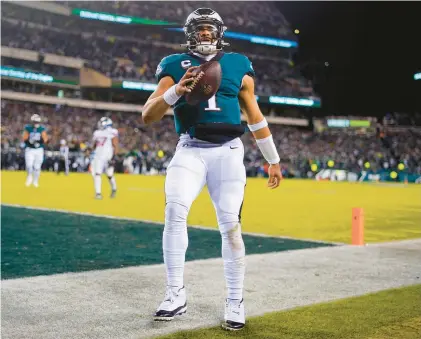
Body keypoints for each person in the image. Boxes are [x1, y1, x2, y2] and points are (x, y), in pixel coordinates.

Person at [142, 8, 282, 330]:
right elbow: (148, 115)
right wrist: (176, 90)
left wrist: (272, 159)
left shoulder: (237, 64)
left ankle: (235, 300)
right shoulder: (174, 65)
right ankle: (175, 294)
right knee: (174, 212)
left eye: (209, 28)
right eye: (200, 29)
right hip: (190, 149)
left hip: (229, 152)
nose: (205, 33)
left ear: (219, 32)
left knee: (230, 225)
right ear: (190, 33)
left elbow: (255, 116)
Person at [91, 117, 119, 199]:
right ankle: (98, 193)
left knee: (109, 175)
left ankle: (114, 188)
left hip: (108, 157)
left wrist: (114, 157)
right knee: (97, 174)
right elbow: (94, 145)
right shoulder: (97, 133)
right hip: (98, 156)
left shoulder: (112, 132)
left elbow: (115, 145)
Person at [22, 114, 48, 187]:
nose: (36, 123)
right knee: (29, 165)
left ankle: (35, 181)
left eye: (37, 122)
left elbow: (45, 139)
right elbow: (24, 138)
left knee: (37, 167)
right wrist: (29, 142)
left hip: (39, 149)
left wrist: (38, 142)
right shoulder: (28, 128)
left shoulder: (41, 129)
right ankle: (29, 176)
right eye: (35, 122)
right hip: (30, 149)